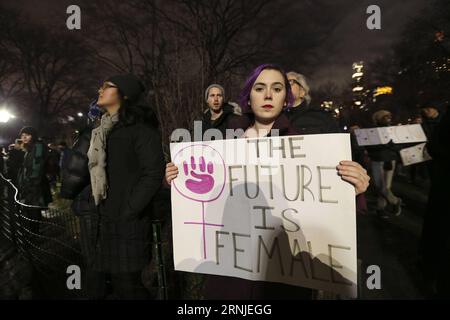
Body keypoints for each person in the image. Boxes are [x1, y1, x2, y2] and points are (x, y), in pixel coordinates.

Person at [165, 64, 369, 299]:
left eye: (277, 88)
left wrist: (352, 189)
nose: (268, 95)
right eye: (260, 88)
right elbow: (205, 194)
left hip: (281, 271)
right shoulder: (223, 144)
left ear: (286, 100)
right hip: (232, 266)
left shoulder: (304, 144)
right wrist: (177, 177)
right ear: (248, 98)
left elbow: (324, 208)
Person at [61, 74, 165, 299]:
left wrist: (129, 209)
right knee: (109, 283)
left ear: (125, 94)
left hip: (128, 222)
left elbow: (153, 173)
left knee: (129, 286)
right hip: (103, 219)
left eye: (108, 86)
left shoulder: (140, 129)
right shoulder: (103, 130)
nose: (100, 89)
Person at [365, 110, 402, 218]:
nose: (388, 119)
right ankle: (395, 201)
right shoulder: (372, 131)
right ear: (378, 119)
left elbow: (398, 146)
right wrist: (383, 144)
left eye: (388, 117)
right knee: (380, 186)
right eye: (385, 117)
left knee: (386, 186)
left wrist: (390, 145)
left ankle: (381, 208)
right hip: (377, 160)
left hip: (389, 160)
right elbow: (369, 146)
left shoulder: (393, 131)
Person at [16, 126, 52, 235]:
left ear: (33, 136)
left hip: (34, 185)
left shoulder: (38, 147)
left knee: (33, 209)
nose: (24, 137)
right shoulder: (29, 148)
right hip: (30, 185)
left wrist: (31, 184)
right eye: (22, 135)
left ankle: (34, 233)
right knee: (32, 209)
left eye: (27, 134)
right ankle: (34, 231)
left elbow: (37, 167)